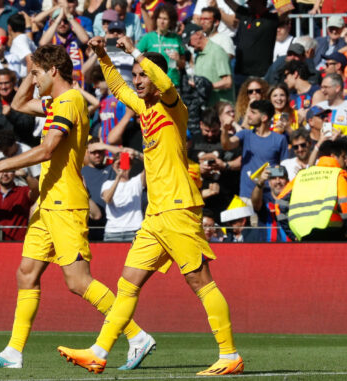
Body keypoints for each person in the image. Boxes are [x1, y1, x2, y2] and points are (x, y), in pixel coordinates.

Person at [56, 36, 242, 376]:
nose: (138, 80)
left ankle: (230, 355)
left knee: (201, 281)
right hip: (155, 216)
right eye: (136, 74)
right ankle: (99, 352)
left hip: (178, 209)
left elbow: (166, 83)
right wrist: (102, 54)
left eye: (143, 75)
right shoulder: (143, 110)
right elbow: (115, 86)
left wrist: (134, 51)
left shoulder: (174, 105)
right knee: (128, 283)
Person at [0, 44, 153, 371]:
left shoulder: (69, 102)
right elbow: (17, 103)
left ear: (53, 71)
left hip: (66, 202)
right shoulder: (58, 102)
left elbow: (47, 149)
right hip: (46, 201)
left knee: (78, 281)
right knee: (26, 274)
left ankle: (137, 335)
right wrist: (30, 71)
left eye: (39, 74)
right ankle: (13, 352)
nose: (35, 80)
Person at [276, 140, 347, 242]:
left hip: (304, 236)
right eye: (343, 157)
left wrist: (292, 235)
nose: (346, 161)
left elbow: (279, 204)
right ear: (333, 156)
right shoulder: (338, 175)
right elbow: (346, 205)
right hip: (333, 235)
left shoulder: (301, 175)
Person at [221, 100, 289, 201]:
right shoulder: (245, 134)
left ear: (264, 118)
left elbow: (284, 169)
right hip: (246, 196)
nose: (248, 115)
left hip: (269, 196)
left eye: (253, 112)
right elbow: (227, 145)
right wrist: (224, 130)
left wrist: (269, 172)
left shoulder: (280, 139)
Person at [136, 3, 185, 87]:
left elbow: (183, 64)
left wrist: (178, 60)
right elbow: (135, 56)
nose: (162, 22)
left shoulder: (177, 38)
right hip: (152, 84)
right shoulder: (148, 37)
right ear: (156, 19)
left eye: (165, 19)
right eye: (160, 18)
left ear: (171, 21)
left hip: (173, 84)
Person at [101, 154, 144, 242]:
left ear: (131, 166)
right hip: (112, 232)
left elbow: (150, 164)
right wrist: (118, 177)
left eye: (126, 164)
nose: (123, 167)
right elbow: (107, 199)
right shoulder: (107, 184)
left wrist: (136, 154)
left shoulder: (136, 182)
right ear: (114, 166)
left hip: (134, 229)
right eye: (119, 164)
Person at [250, 165, 290, 242]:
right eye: (274, 178)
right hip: (267, 248)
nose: (278, 181)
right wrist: (260, 183)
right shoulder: (264, 199)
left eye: (281, 177)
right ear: (269, 183)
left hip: (292, 247)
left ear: (288, 181)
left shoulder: (294, 199)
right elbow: (255, 204)